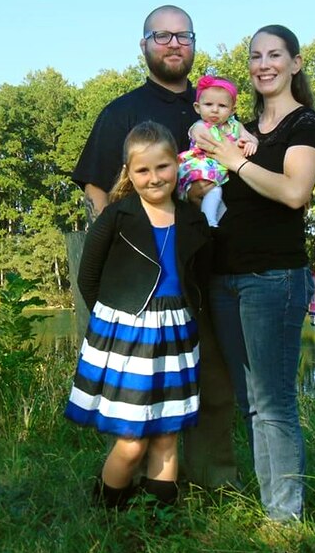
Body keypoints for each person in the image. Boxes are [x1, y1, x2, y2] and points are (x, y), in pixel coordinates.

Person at [71, 4, 238, 490]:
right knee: (136, 407)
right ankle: (127, 491)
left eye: (182, 36)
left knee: (213, 391)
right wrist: (128, 243)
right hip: (141, 291)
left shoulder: (214, 107)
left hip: (206, 278)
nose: (172, 44)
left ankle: (213, 486)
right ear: (143, 45)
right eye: (160, 36)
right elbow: (96, 187)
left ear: (193, 44)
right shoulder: (122, 111)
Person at [189, 24, 315, 522]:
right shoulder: (239, 127)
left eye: (275, 54)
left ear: (294, 63)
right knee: (250, 401)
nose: (264, 64)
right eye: (255, 56)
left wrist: (234, 162)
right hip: (224, 278)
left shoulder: (305, 125)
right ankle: (274, 505)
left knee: (274, 403)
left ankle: (285, 518)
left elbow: (295, 192)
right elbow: (200, 174)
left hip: (274, 279)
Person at [64, 121, 213, 508]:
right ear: (128, 173)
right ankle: (106, 511)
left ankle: (159, 520)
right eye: (142, 170)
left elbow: (202, 275)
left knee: (167, 434)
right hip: (127, 335)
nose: (154, 178)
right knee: (132, 441)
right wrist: (116, 318)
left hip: (176, 332)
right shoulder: (117, 217)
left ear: (176, 165)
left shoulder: (193, 219)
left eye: (162, 167)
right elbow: (89, 277)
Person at [177, 75, 258, 227]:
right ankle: (209, 222)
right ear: (197, 107)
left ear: (232, 110)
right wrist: (236, 147)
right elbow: (210, 142)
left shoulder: (236, 126)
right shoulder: (199, 126)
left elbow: (250, 137)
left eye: (222, 106)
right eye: (208, 104)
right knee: (213, 191)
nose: (215, 110)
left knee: (219, 195)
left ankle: (211, 221)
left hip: (220, 169)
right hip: (200, 166)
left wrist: (250, 143)